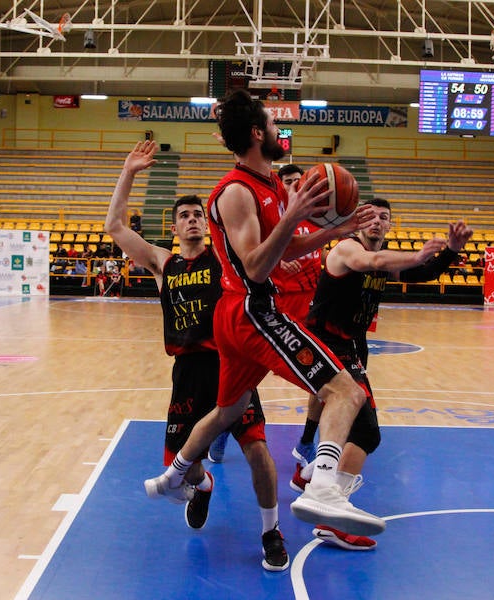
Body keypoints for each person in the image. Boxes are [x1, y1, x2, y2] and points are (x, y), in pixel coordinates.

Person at [144, 89, 386, 538]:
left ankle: (176, 475)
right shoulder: (236, 191)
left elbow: (288, 247)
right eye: (275, 127)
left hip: (236, 316)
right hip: (250, 310)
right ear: (258, 133)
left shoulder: (271, 184)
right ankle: (323, 487)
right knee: (346, 393)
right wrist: (295, 215)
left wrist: (335, 229)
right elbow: (256, 265)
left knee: (227, 409)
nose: (280, 134)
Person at [107, 140, 289, 571]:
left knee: (258, 452)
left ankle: (270, 531)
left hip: (230, 363)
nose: (192, 220)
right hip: (187, 372)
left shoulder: (223, 261)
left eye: (196, 215)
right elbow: (115, 225)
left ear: (205, 224)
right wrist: (129, 170)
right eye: (184, 216)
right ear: (174, 227)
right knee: (182, 470)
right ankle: (202, 484)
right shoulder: (162, 264)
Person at [291, 198, 473, 550]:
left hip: (351, 346)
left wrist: (450, 251)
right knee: (366, 431)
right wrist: (419, 254)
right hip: (327, 345)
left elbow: (422, 274)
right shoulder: (347, 248)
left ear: (390, 226)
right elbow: (370, 262)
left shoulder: (386, 257)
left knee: (362, 432)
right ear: (358, 222)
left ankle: (320, 484)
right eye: (370, 216)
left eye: (384, 217)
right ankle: (325, 500)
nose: (376, 221)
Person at [208, 162, 323, 464]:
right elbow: (254, 257)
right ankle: (224, 427)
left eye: (300, 180)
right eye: (288, 181)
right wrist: (278, 261)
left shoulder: (316, 222)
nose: (294, 185)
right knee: (249, 379)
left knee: (325, 380)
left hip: (308, 306)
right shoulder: (270, 217)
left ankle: (309, 441)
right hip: (272, 306)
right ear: (280, 185)